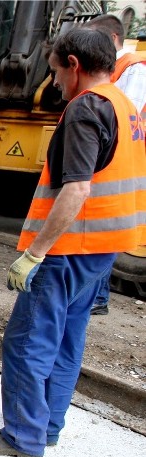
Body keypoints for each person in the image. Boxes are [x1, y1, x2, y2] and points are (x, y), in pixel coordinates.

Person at [0, 28, 144, 457]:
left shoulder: (86, 111)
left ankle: (21, 437)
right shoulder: (123, 105)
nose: (55, 82)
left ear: (75, 66)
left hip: (68, 248)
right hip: (103, 246)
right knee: (67, 338)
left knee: (28, 340)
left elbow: (77, 189)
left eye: (56, 72)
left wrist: (35, 252)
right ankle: (46, 428)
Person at [83, 14, 146, 315]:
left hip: (119, 160)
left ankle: (98, 297)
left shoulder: (133, 68)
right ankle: (97, 296)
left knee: (105, 228)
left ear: (110, 40)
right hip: (116, 157)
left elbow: (125, 117)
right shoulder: (119, 69)